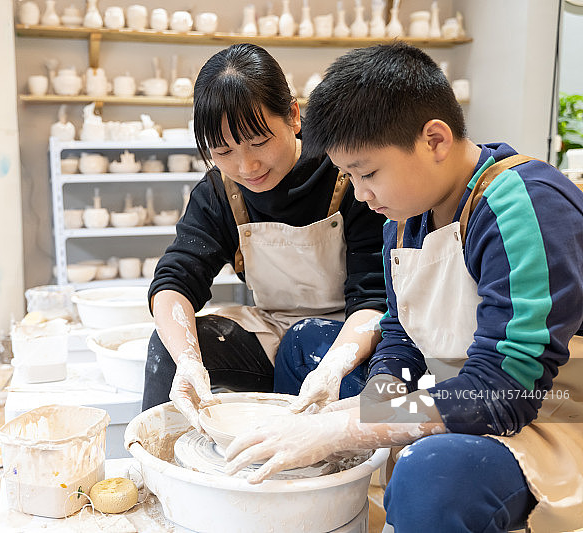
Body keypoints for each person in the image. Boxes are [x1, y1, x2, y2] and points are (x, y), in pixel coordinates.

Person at [223, 42, 583, 533]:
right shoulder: (405, 211)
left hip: (547, 418)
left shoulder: (524, 205)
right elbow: (402, 334)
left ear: (435, 140)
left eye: (368, 173)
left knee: (431, 476)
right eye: (349, 176)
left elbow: (503, 392)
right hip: (465, 389)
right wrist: (377, 398)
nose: (361, 194)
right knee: (306, 345)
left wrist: (349, 426)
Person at [142, 43, 388, 431]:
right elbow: (176, 280)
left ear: (292, 116)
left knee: (305, 344)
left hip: (352, 337)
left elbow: (376, 297)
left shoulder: (347, 173)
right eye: (223, 150)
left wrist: (331, 368)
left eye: (258, 141)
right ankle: (157, 460)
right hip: (274, 330)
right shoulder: (221, 192)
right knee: (170, 346)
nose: (247, 166)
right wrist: (188, 360)